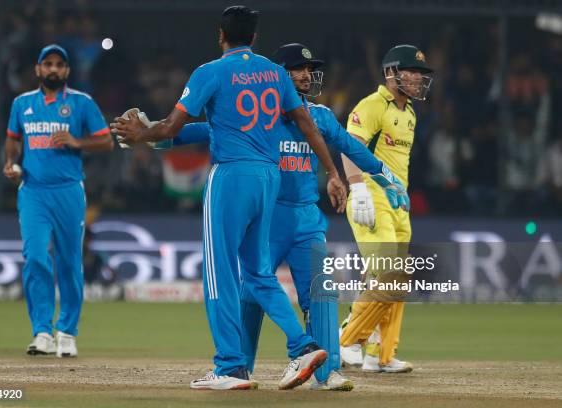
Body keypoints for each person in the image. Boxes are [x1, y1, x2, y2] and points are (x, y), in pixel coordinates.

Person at [111, 6, 347, 391]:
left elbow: (174, 126)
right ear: (254, 38)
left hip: (231, 175)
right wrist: (333, 173)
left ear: (221, 35)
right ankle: (303, 346)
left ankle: (230, 367)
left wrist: (143, 133)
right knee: (258, 273)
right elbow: (306, 123)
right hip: (270, 178)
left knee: (219, 272)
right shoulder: (274, 71)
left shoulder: (210, 72)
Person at [158, 43, 409, 390]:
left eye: (309, 69)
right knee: (252, 289)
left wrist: (382, 174)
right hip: (270, 217)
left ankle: (326, 372)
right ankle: (239, 368)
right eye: (297, 69)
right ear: (276, 75)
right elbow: (204, 130)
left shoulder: (318, 116)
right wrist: (155, 136)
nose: (306, 75)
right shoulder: (262, 119)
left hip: (307, 218)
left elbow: (350, 146)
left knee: (321, 292)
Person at [3, 44, 113, 358]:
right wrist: (11, 164)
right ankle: (41, 332)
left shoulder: (81, 103)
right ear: (38, 69)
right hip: (33, 191)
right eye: (47, 64)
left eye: (59, 65)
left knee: (68, 262)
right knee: (36, 256)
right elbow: (12, 141)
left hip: (68, 191)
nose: (53, 69)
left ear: (67, 71)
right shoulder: (21, 103)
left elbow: (106, 141)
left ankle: (67, 331)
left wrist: (78, 141)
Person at [339, 44, 433, 373]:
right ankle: (347, 340)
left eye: (423, 74)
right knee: (388, 273)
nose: (421, 78)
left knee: (397, 278)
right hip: (371, 198)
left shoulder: (409, 114)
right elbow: (349, 147)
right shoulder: (372, 105)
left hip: (398, 202)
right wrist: (358, 187)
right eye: (414, 72)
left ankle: (381, 355)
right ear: (393, 73)